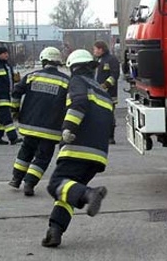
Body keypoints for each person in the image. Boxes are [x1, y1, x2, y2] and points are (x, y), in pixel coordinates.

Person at [41, 49, 113, 248]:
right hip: (98, 155)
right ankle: (54, 231)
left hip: (78, 148)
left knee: (55, 184)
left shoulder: (77, 82)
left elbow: (78, 103)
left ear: (73, 67)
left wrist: (67, 129)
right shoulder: (102, 91)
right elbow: (111, 123)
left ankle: (91, 194)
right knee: (68, 192)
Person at [8, 47, 69, 196]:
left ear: (43, 60)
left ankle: (16, 179)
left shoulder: (32, 76)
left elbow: (16, 92)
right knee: (42, 157)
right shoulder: (66, 81)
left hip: (30, 125)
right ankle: (29, 184)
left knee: (26, 151)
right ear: (58, 62)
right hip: (52, 128)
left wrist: (15, 111)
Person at [0, 46, 21, 145]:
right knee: (7, 118)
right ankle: (13, 138)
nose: (6, 55)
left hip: (8, 95)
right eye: (4, 53)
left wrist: (16, 79)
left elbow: (9, 80)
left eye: (7, 53)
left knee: (1, 119)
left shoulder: (8, 66)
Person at [93, 40, 120, 144]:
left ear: (100, 49)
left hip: (109, 94)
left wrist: (105, 85)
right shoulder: (99, 60)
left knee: (109, 115)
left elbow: (114, 75)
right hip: (98, 93)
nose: (94, 51)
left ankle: (110, 137)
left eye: (95, 49)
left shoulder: (112, 60)